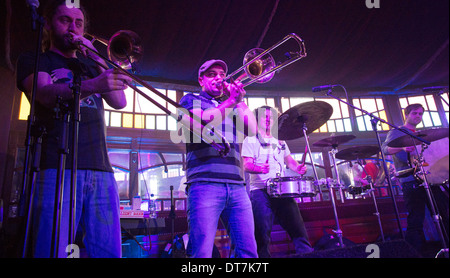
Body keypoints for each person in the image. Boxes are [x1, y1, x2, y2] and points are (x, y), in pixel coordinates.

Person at [16, 0, 132, 257]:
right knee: (51, 249)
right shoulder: (36, 58)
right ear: (47, 24)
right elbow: (45, 94)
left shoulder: (91, 65)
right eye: (65, 20)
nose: (73, 27)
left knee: (108, 251)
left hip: (101, 169)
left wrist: (96, 58)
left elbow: (120, 102)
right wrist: (93, 85)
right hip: (56, 166)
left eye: (78, 23)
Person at [178, 59, 258, 258]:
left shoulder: (233, 106)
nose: (219, 78)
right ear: (201, 80)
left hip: (237, 186)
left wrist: (239, 100)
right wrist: (230, 101)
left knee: (248, 251)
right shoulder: (191, 99)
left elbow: (252, 129)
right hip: (205, 184)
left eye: (222, 74)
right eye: (212, 74)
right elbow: (203, 120)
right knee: (201, 252)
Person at [241, 105, 314, 257]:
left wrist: (298, 168)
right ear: (257, 119)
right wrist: (259, 168)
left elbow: (290, 162)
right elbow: (246, 165)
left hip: (283, 189)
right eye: (264, 116)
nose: (268, 119)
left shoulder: (281, 141)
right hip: (260, 191)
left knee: (298, 230)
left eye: (271, 117)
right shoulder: (250, 140)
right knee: (261, 235)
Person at [382, 103, 448, 252]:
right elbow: (385, 149)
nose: (418, 116)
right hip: (410, 180)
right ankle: (414, 253)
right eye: (414, 113)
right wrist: (402, 147)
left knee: (444, 214)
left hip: (429, 179)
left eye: (420, 114)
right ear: (407, 115)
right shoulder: (397, 131)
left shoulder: (422, 134)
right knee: (416, 219)